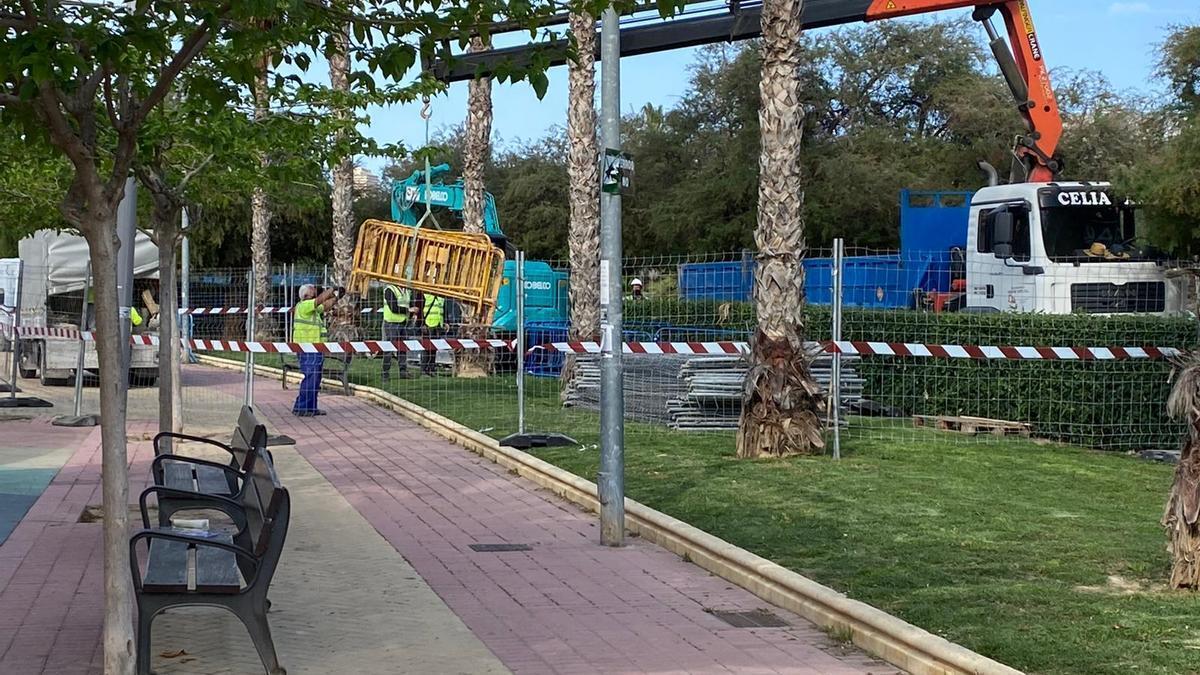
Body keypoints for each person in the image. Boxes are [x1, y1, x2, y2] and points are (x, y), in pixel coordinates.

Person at [292, 283, 342, 417]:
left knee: (315, 379)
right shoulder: (304, 305)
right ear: (306, 295)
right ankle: (301, 407)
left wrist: (337, 297)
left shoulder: (312, 309)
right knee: (311, 378)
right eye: (312, 289)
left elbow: (324, 306)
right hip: (307, 348)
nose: (315, 290)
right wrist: (332, 289)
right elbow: (319, 300)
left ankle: (311, 408)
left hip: (315, 348)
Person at [380, 282, 412, 382]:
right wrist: (408, 310)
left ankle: (403, 371)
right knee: (389, 349)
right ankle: (385, 373)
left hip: (403, 323)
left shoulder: (407, 291)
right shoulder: (390, 290)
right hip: (391, 323)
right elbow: (393, 307)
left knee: (402, 349)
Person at [419, 292, 445, 376]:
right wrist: (422, 324)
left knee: (434, 349)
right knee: (426, 349)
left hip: (437, 325)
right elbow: (420, 310)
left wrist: (445, 322)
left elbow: (442, 310)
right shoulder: (425, 294)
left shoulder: (441, 296)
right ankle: (424, 369)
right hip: (428, 325)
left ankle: (431, 368)